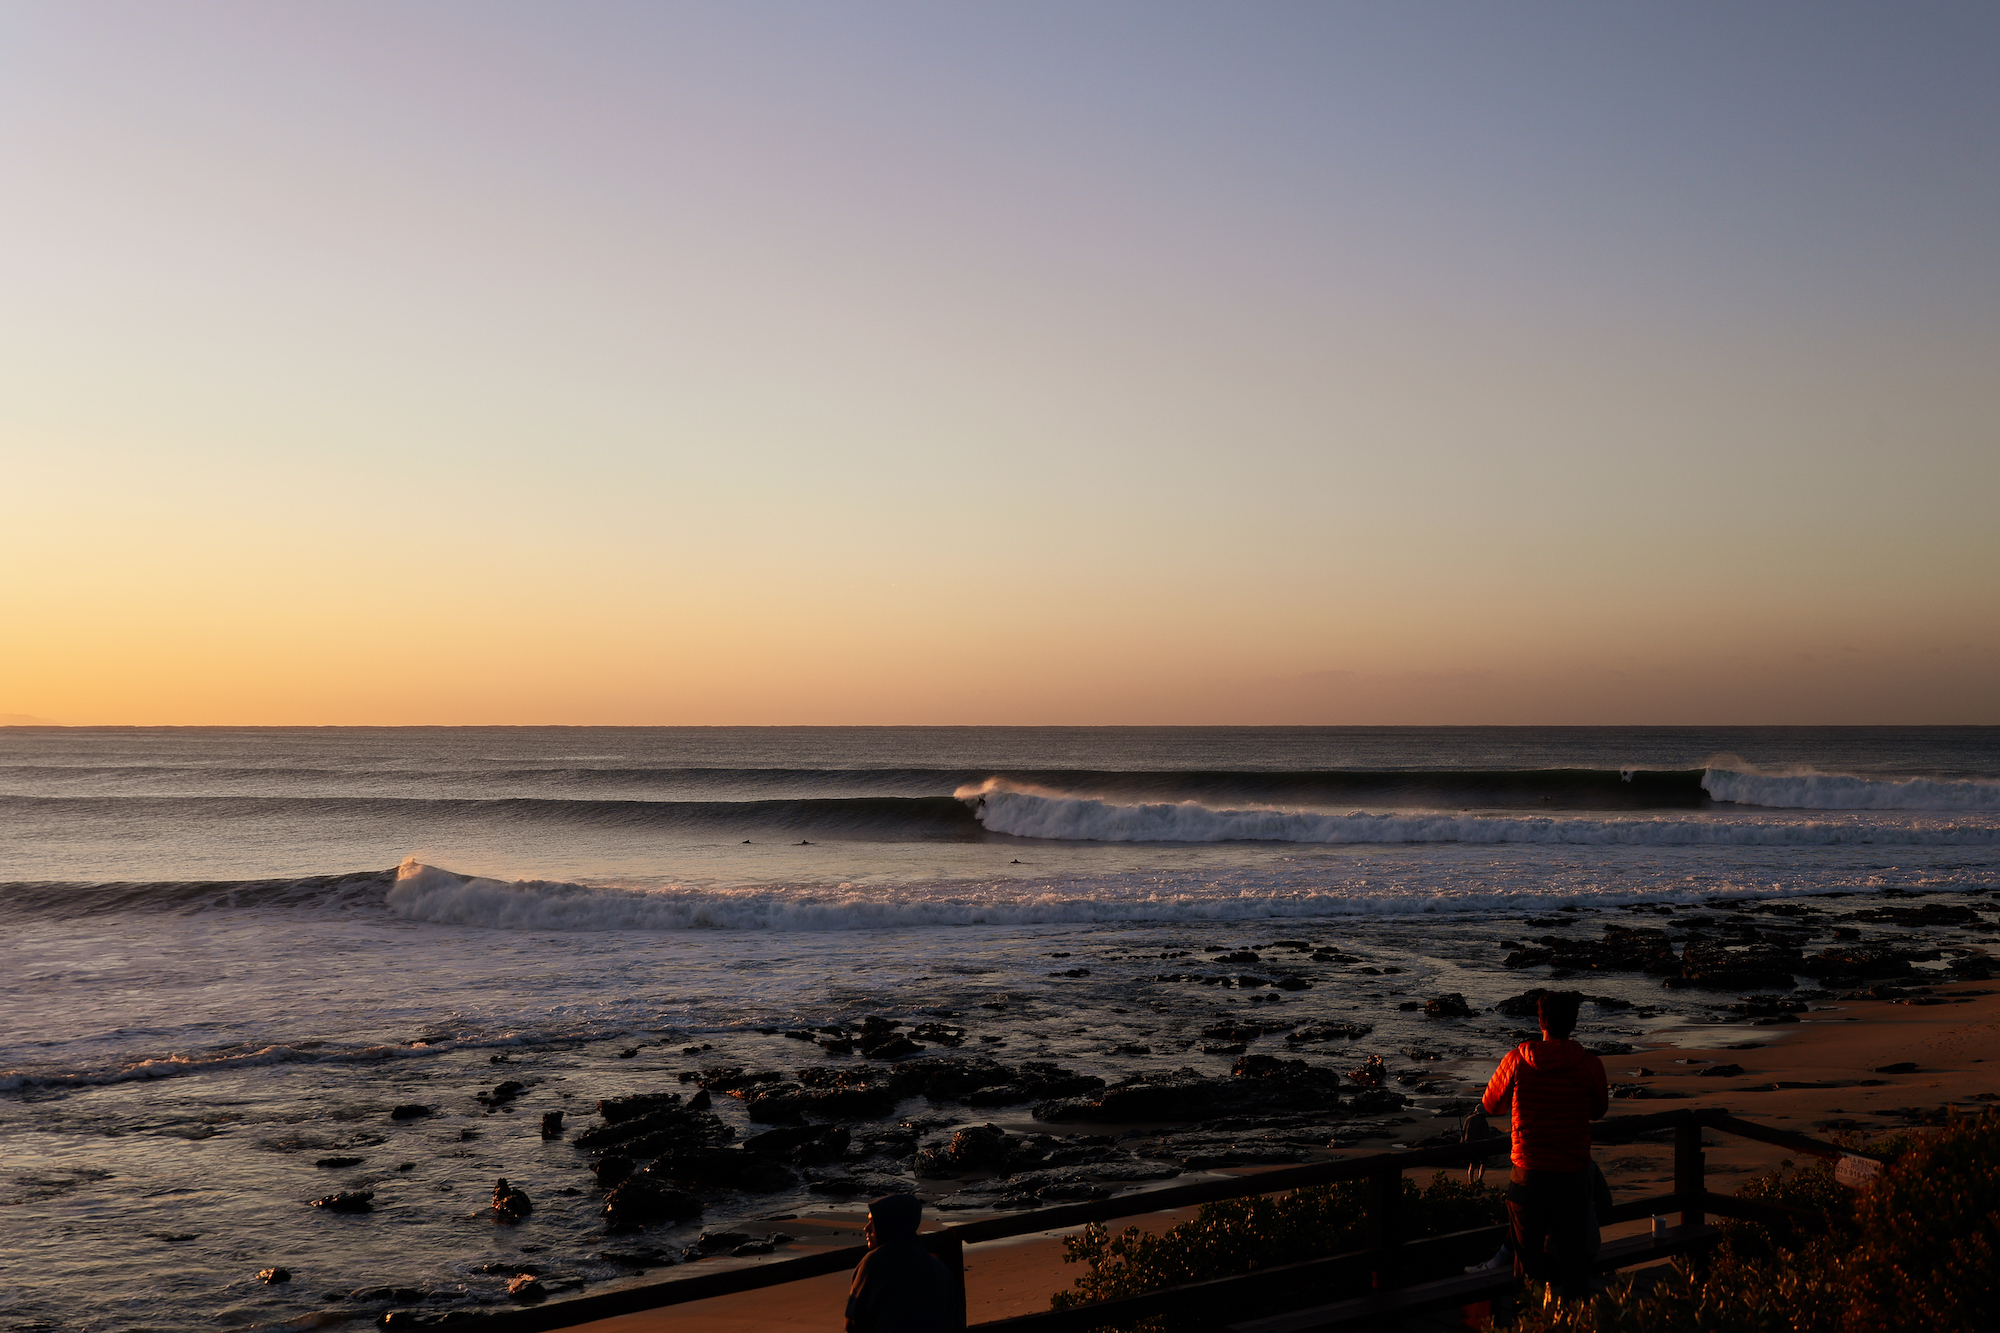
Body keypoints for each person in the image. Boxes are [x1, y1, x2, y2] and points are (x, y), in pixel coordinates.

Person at [1479, 989, 1609, 1302]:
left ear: (1540, 1021)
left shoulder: (1517, 1059)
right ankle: (1575, 1321)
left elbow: (1491, 1105)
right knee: (1574, 1265)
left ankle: (1529, 1320)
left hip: (1529, 1173)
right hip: (1572, 1174)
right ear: (1574, 1024)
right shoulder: (1590, 1065)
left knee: (1527, 1266)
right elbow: (1598, 1110)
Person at [844, 1193, 966, 1333]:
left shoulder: (874, 1264)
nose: (866, 1228)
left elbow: (853, 1322)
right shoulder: (938, 1268)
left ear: (887, 1222)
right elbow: (957, 1320)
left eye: (873, 1221)